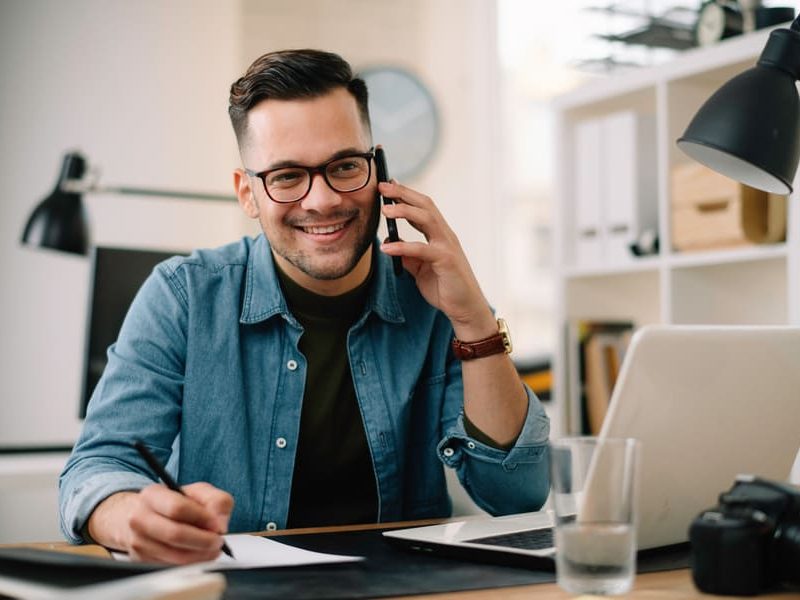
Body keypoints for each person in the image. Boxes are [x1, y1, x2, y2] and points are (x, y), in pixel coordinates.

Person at [59, 49, 550, 564]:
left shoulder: (436, 299)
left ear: (378, 169)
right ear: (247, 193)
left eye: (344, 166)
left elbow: (516, 495)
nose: (321, 200)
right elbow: (97, 467)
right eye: (287, 176)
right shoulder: (182, 296)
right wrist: (131, 517)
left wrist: (473, 319)